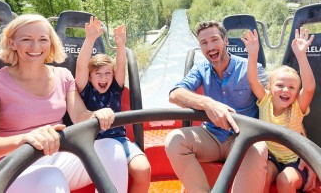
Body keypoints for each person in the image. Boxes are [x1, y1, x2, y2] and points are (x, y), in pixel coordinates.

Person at [0, 14, 128, 193]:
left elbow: (80, 116)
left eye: (43, 39)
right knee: (50, 177)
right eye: (26, 39)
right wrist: (25, 139)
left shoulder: (63, 76)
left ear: (51, 43)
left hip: (53, 158)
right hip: (7, 169)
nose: (35, 46)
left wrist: (97, 114)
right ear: (12, 43)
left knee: (112, 149)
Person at [165, 21, 269, 193]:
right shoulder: (201, 69)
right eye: (204, 43)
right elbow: (175, 94)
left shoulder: (251, 69)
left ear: (225, 41)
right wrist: (208, 103)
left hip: (241, 138)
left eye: (214, 40)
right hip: (211, 136)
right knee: (175, 140)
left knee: (258, 149)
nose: (210, 46)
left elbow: (272, 102)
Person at [75, 16, 151, 193]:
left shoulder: (115, 89)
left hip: (119, 140)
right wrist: (90, 39)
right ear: (90, 76)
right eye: (98, 74)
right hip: (94, 143)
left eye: (108, 73)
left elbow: (121, 65)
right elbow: (80, 67)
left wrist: (120, 45)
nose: (103, 78)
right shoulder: (85, 90)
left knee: (143, 169)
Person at [242, 27, 316, 192]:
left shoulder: (297, 106)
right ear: (269, 87)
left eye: (291, 87)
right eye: (280, 85)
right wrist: (253, 54)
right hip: (271, 157)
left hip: (294, 160)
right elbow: (253, 80)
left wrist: (301, 55)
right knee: (263, 176)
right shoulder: (265, 100)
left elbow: (309, 88)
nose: (285, 90)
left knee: (284, 181)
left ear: (297, 92)